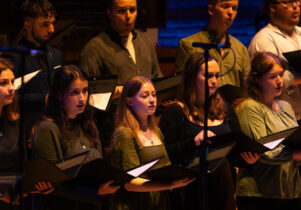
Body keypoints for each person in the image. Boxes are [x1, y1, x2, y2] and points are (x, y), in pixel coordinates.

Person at [32, 65, 119, 210]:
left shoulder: (88, 125)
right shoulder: (48, 129)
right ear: (60, 95)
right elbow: (52, 185)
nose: (82, 98)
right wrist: (95, 191)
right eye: (74, 92)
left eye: (85, 91)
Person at [159, 52, 238, 210]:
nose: (214, 81)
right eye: (208, 76)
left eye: (217, 75)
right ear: (192, 77)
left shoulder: (226, 110)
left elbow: (236, 149)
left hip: (222, 189)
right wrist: (193, 142)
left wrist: (249, 158)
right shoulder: (176, 111)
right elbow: (164, 154)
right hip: (189, 191)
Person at [110, 75, 194, 210]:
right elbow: (130, 183)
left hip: (159, 202)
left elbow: (165, 168)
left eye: (154, 95)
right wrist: (169, 185)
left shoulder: (157, 131)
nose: (152, 100)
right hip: (136, 204)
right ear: (130, 101)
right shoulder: (125, 135)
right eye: (144, 96)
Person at [235, 52, 301, 210]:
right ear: (257, 79)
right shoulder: (250, 107)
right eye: (272, 76)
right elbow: (262, 151)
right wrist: (294, 154)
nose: (279, 81)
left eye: (281, 74)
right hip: (260, 193)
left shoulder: (285, 106)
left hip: (290, 190)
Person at [0, 57, 54, 210]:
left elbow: (22, 166)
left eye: (12, 82)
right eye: (3, 83)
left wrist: (37, 184)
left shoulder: (15, 120)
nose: (12, 88)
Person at [5, 0, 64, 140]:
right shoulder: (12, 57)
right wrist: (44, 98)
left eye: (52, 23)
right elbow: (9, 99)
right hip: (27, 132)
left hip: (58, 128)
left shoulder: (56, 55)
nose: (52, 30)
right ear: (28, 25)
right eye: (45, 24)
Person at [80, 0, 162, 85]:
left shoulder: (146, 41)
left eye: (132, 10)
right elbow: (91, 90)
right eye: (122, 11)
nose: (128, 16)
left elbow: (157, 78)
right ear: (110, 14)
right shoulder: (94, 48)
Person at [174, 0, 250, 88]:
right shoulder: (189, 45)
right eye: (225, 6)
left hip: (233, 101)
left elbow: (246, 89)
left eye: (234, 8)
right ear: (211, 10)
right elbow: (180, 87)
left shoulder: (240, 49)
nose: (230, 12)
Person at [248, 0, 301, 119]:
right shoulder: (264, 39)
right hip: (283, 118)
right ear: (272, 7)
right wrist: (297, 76)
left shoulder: (300, 32)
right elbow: (269, 83)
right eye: (288, 2)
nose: (295, 6)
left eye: (297, 1)